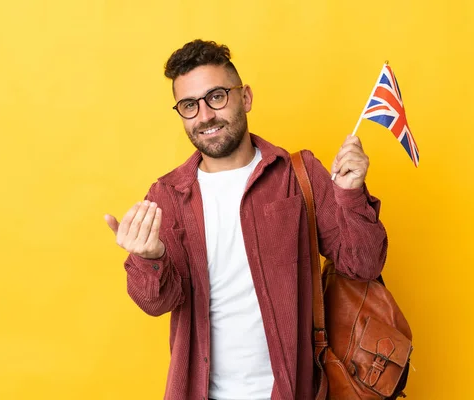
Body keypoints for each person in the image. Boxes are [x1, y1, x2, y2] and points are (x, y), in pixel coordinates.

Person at [104, 39, 388, 400]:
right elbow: (156, 303)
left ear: (246, 97)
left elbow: (364, 264)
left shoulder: (298, 174)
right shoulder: (167, 195)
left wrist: (350, 194)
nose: (205, 115)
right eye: (189, 105)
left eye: (217, 96)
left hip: (294, 390)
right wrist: (150, 259)